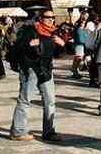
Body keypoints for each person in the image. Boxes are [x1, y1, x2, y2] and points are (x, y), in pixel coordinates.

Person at [10, 9, 64, 142]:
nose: (51, 20)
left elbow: (55, 53)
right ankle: (18, 131)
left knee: (50, 100)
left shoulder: (53, 33)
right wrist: (30, 45)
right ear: (41, 18)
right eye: (48, 17)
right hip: (31, 68)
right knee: (25, 99)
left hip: (45, 70)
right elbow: (20, 47)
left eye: (53, 17)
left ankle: (49, 132)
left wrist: (62, 45)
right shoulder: (32, 30)